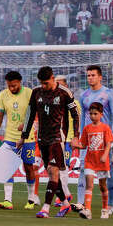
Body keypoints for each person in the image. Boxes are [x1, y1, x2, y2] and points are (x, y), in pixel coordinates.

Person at [21, 66, 79, 218]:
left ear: (53, 78)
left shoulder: (64, 92)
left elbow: (76, 115)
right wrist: (23, 136)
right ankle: (66, 205)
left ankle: (45, 208)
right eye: (41, 83)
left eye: (46, 83)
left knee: (53, 171)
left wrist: (75, 136)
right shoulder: (36, 92)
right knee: (51, 173)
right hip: (42, 138)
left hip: (57, 137)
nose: (44, 86)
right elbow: (30, 114)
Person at [0, 69, 38, 210]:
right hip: (10, 137)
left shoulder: (29, 93)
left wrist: (25, 126)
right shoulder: (3, 94)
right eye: (9, 86)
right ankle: (8, 200)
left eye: (14, 85)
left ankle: (31, 199)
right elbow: (0, 116)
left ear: (20, 82)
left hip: (27, 138)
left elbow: (36, 115)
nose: (11, 88)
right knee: (7, 168)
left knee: (28, 167)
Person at [76, 65, 113, 210]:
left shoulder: (108, 93)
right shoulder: (84, 95)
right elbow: (82, 116)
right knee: (83, 169)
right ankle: (81, 203)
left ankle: (110, 204)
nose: (90, 78)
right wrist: (80, 136)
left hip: (104, 140)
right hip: (88, 138)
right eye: (88, 75)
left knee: (108, 171)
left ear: (100, 77)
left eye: (93, 75)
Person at [77, 102, 113, 219]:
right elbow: (84, 145)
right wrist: (76, 145)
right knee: (89, 185)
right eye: (91, 114)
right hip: (90, 160)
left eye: (95, 114)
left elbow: (109, 143)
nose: (92, 116)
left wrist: (105, 155)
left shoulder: (105, 128)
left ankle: (105, 209)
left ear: (101, 114)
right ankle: (87, 210)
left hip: (102, 161)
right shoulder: (87, 128)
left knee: (102, 186)